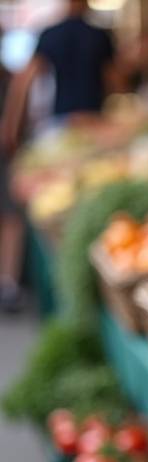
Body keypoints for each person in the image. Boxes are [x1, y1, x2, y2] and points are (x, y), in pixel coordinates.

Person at [1, 0, 117, 149]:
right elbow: (113, 81)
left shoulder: (50, 34)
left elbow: (23, 81)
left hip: (61, 122)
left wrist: (11, 126)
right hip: (94, 120)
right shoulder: (100, 36)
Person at [0, 25, 23, 312]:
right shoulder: (9, 78)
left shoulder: (9, 78)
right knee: (9, 218)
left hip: (5, 157)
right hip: (5, 156)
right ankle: (8, 282)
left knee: (9, 216)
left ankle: (8, 282)